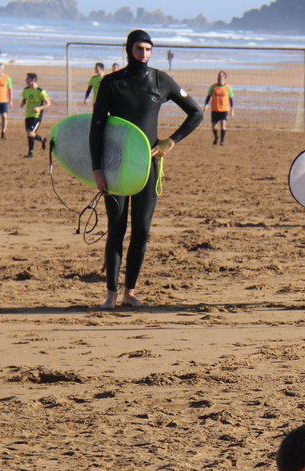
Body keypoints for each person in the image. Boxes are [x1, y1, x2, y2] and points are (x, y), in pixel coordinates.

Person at [90, 29, 202, 309]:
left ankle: (129, 292)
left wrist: (171, 141)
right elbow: (97, 126)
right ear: (129, 49)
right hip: (115, 165)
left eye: (148, 49)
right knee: (116, 228)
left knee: (141, 229)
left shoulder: (159, 80)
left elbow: (196, 113)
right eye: (139, 48)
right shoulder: (111, 82)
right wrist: (97, 169)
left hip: (148, 165)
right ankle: (111, 294)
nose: (144, 54)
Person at [19, 72, 50, 158]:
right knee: (29, 133)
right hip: (28, 114)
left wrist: (39, 108)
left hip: (36, 115)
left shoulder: (41, 91)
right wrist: (22, 103)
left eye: (27, 79)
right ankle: (41, 141)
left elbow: (48, 103)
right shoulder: (26, 90)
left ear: (33, 80)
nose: (26, 80)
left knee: (31, 133)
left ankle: (31, 152)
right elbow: (25, 98)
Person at [203, 71, 234, 146]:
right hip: (215, 108)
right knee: (214, 126)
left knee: (223, 124)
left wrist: (232, 110)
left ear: (225, 78)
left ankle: (222, 140)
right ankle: (216, 137)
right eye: (219, 76)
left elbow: (231, 99)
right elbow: (208, 96)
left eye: (221, 76)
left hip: (224, 109)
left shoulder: (228, 87)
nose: (220, 78)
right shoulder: (213, 87)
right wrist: (206, 105)